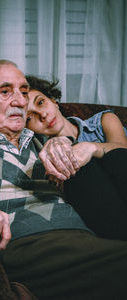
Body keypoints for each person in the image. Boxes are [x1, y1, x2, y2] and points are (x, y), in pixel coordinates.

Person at [0, 59, 127, 300]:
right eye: (5, 91)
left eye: (23, 92)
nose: (21, 101)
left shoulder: (41, 141)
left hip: (85, 237)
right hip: (25, 243)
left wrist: (63, 143)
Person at [25, 75, 127, 240]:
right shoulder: (44, 157)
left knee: (114, 158)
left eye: (40, 102)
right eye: (29, 118)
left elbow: (122, 150)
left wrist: (90, 147)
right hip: (108, 219)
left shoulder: (103, 120)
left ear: (53, 101)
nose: (42, 115)